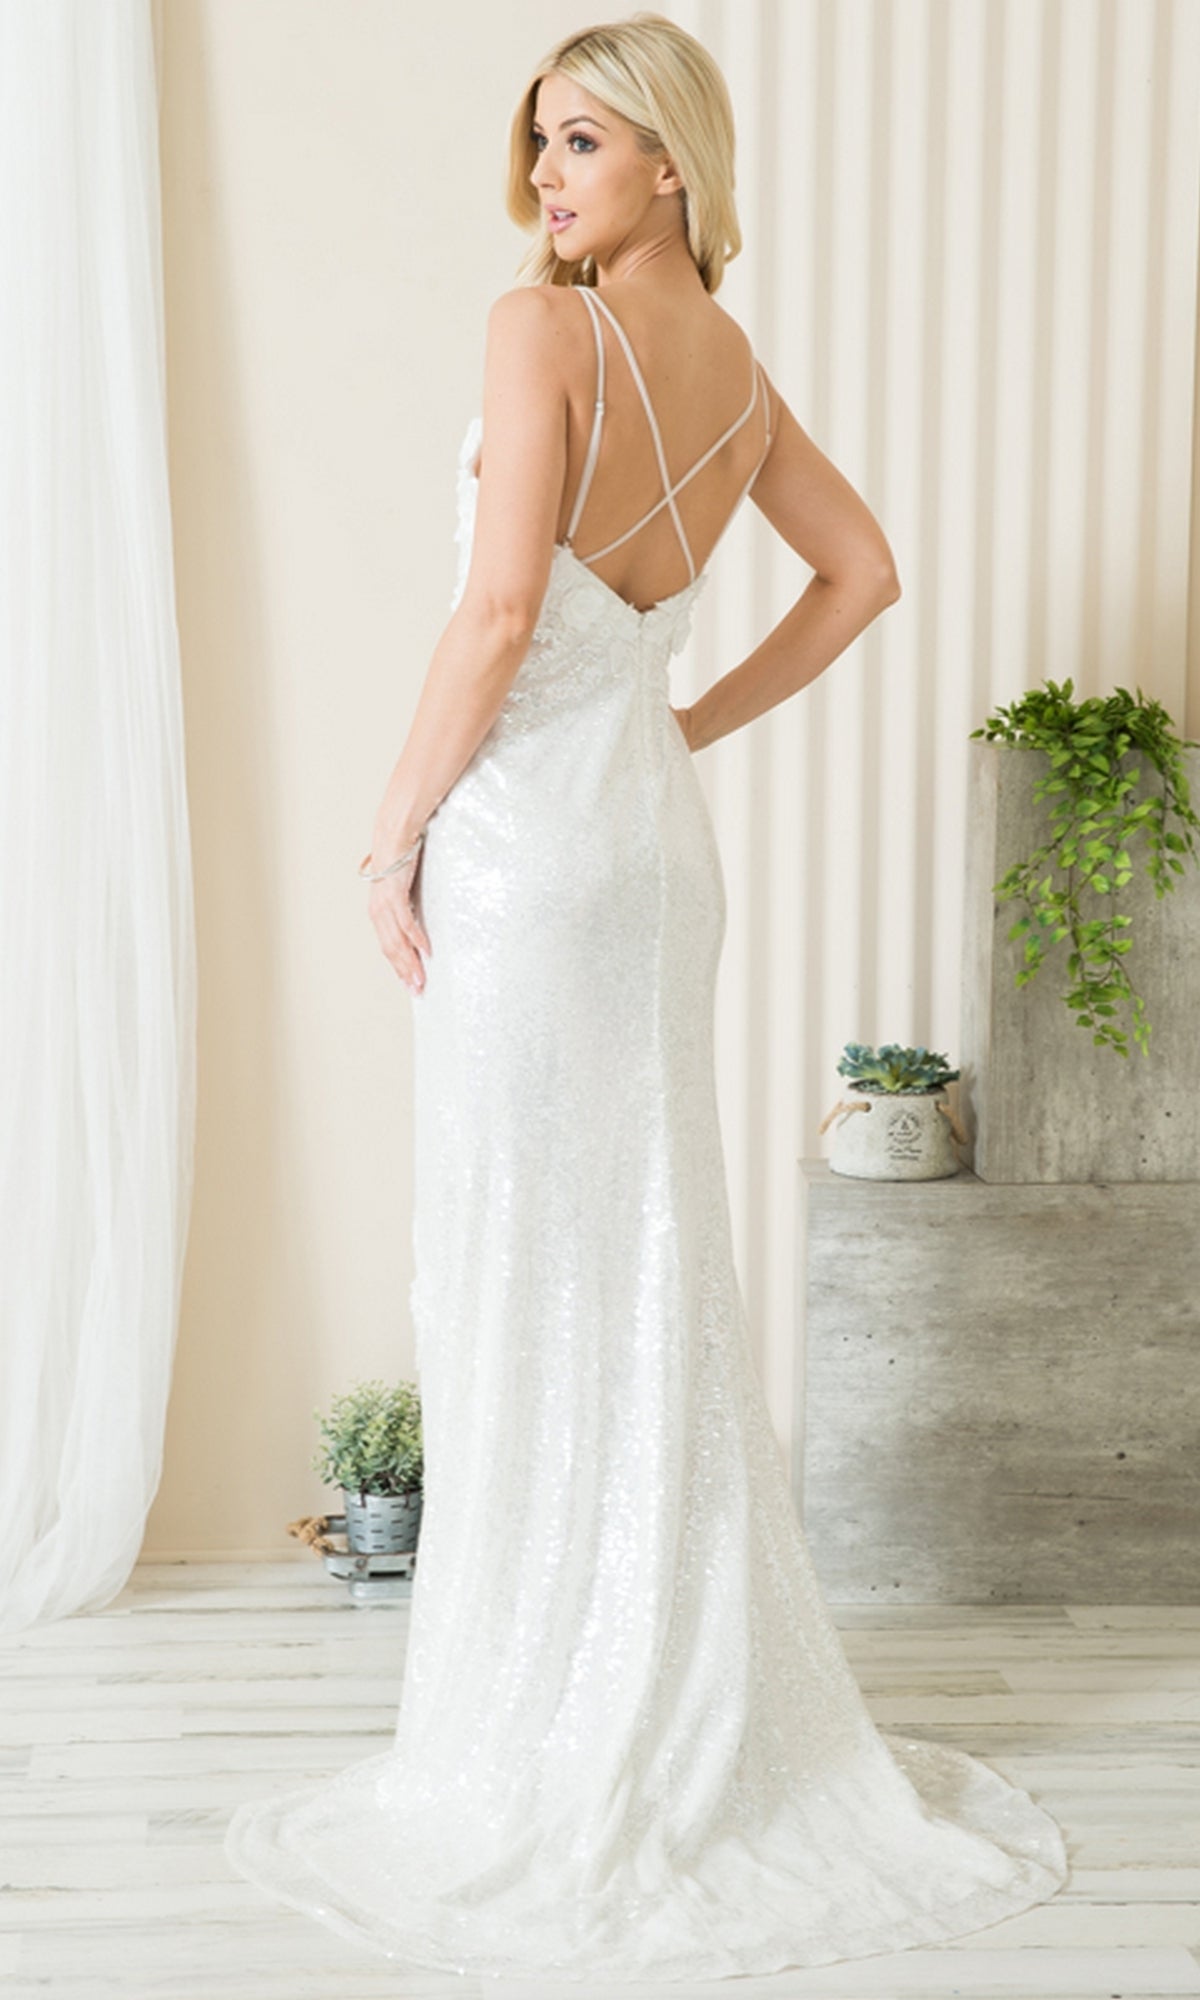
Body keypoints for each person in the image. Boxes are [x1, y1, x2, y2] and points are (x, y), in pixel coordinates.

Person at [224, 13, 1069, 1980]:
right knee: (650, 1259)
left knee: (530, 1263)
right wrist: (678, 722)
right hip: (656, 855)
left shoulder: (540, 334)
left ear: (674, 162)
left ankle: (546, 1718)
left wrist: (390, 830)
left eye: (585, 142)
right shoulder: (737, 376)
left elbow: (501, 609)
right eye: (541, 142)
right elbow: (863, 574)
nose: (547, 178)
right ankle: (672, 1689)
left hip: (533, 851)